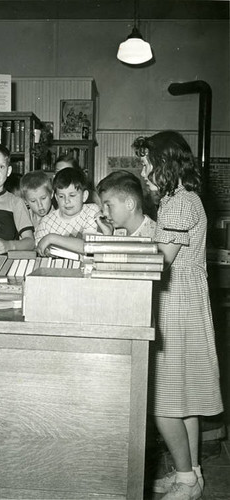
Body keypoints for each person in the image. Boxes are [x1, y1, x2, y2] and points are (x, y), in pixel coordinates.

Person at [133, 131, 223, 500]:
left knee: (161, 403)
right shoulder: (178, 199)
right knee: (183, 397)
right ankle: (192, 476)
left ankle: (187, 477)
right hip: (183, 300)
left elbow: (161, 260)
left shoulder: (181, 203)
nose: (142, 168)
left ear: (163, 162)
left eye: (145, 161)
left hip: (177, 303)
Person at [35, 167, 106, 255]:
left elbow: (89, 247)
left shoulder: (92, 211)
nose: (66, 201)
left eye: (72, 195)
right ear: (56, 198)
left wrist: (51, 238)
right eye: (61, 196)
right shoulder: (46, 222)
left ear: (84, 196)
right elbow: (39, 251)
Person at [96, 169, 156, 238]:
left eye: (108, 206)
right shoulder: (117, 231)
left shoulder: (154, 237)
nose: (104, 213)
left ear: (129, 204)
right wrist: (108, 235)